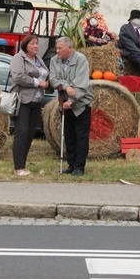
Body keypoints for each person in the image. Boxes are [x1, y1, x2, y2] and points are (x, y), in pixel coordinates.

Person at [49, 37, 93, 177]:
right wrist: (66, 86)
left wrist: (72, 100)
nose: (57, 51)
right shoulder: (54, 60)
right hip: (64, 102)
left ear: (69, 48)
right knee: (69, 135)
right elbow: (53, 79)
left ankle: (79, 167)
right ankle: (71, 164)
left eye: (60, 48)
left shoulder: (81, 60)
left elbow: (81, 82)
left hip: (81, 103)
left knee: (81, 136)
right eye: (56, 48)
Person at [9, 35, 50, 176]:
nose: (36, 46)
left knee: (30, 134)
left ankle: (23, 164)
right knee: (22, 132)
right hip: (23, 100)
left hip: (37, 101)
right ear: (26, 45)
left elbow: (46, 75)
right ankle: (18, 167)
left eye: (37, 44)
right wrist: (38, 83)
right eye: (33, 44)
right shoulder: (18, 58)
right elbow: (18, 77)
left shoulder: (39, 60)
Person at [117, 9, 140, 75]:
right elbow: (129, 44)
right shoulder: (125, 28)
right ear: (132, 19)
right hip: (130, 50)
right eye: (138, 18)